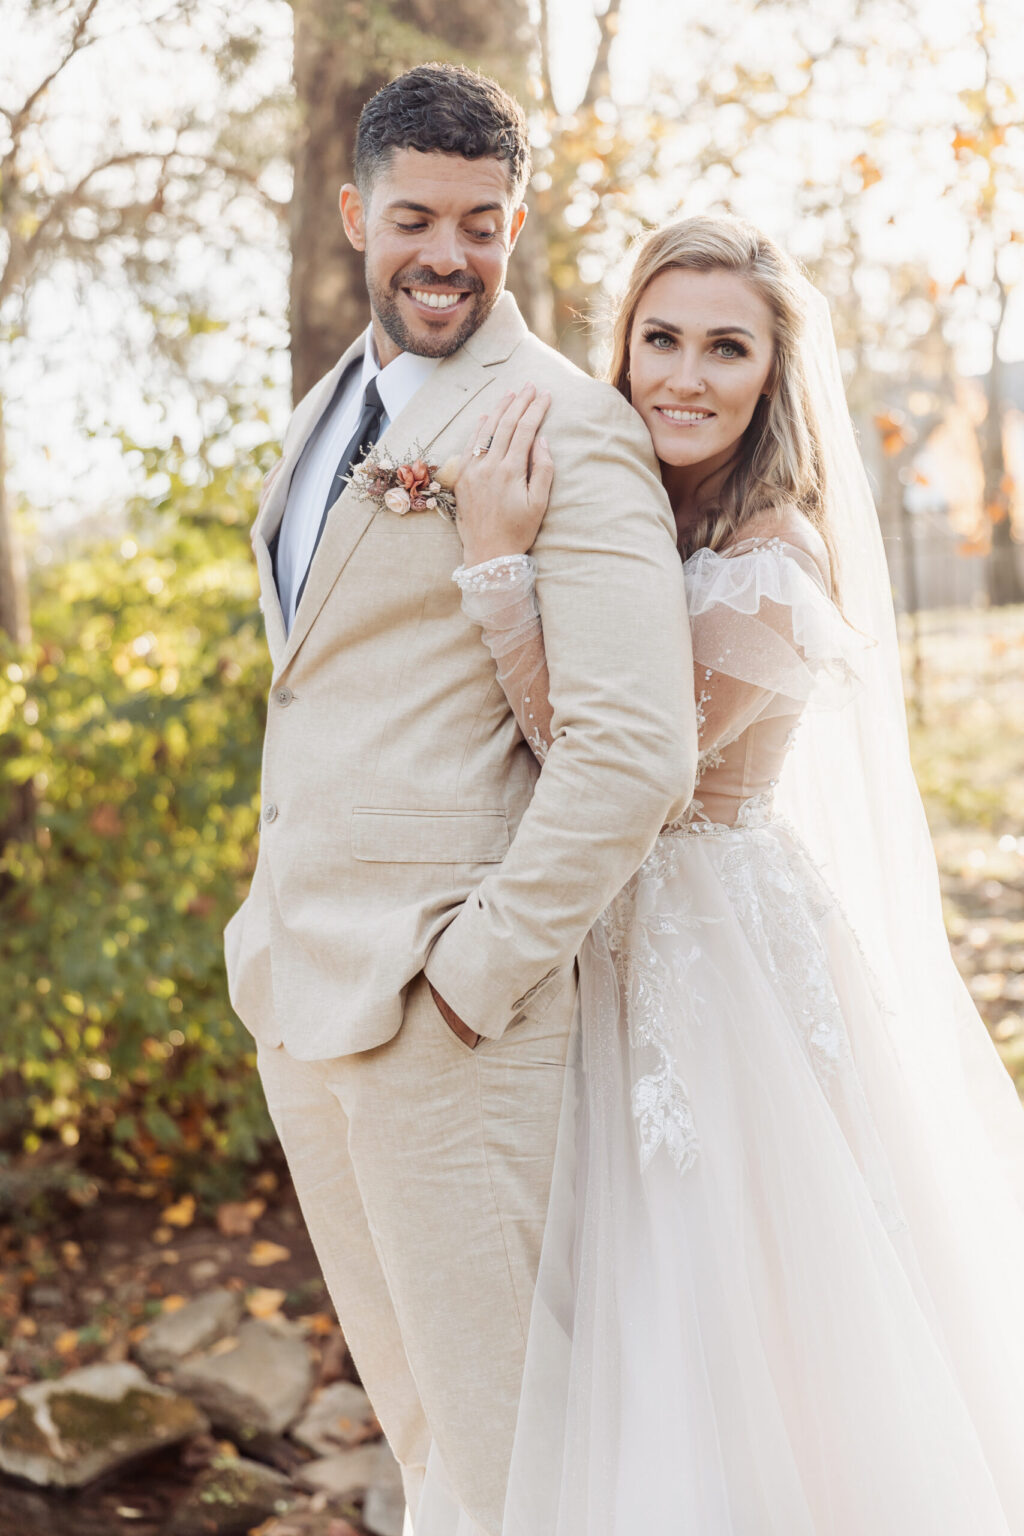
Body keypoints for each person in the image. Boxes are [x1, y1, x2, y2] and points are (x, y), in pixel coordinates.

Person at [418, 214, 1024, 1535]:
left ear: (774, 375)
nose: (684, 373)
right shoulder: (630, 506)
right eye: (661, 337)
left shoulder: (773, 560)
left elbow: (620, 765)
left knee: (730, 1317)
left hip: (712, 961)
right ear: (622, 346)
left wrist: (498, 568)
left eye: (725, 346)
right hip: (593, 934)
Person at [223, 63, 696, 1535]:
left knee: (515, 1458)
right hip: (303, 995)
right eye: (419, 216)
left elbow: (636, 751)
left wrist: (476, 976)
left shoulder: (570, 425)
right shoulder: (328, 412)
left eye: (484, 224)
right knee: (429, 1437)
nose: (450, 255)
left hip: (448, 1017)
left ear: (514, 224)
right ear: (356, 212)